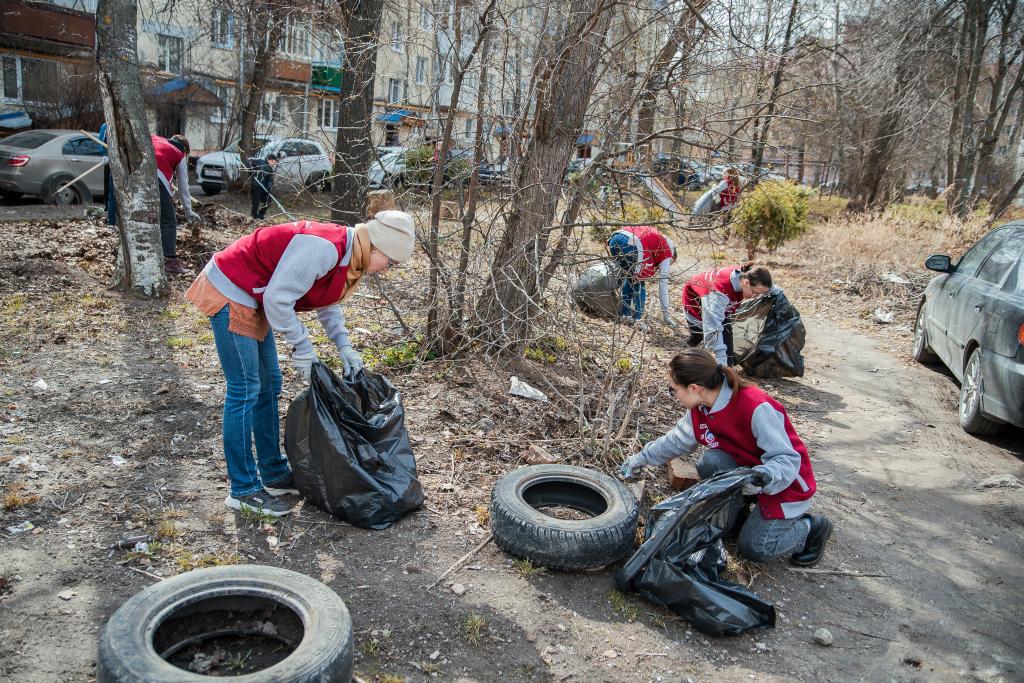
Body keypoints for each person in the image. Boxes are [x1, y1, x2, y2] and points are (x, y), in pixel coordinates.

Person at [184, 210, 417, 517]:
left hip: (254, 295)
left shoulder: (349, 254)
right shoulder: (325, 248)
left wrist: (345, 347)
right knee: (245, 388)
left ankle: (273, 473)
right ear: (375, 246)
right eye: (390, 261)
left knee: (269, 385)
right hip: (232, 287)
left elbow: (326, 302)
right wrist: (302, 347)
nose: (387, 269)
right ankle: (243, 489)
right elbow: (278, 299)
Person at [620, 348, 832, 566]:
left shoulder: (755, 406)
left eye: (673, 390)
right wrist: (642, 457)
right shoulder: (701, 408)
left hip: (784, 484)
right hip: (747, 475)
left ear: (694, 388)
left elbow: (787, 461)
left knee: (755, 548)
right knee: (710, 463)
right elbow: (676, 440)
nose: (674, 396)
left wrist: (760, 477)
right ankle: (740, 514)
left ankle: (811, 528)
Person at [682, 263, 774, 365]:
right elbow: (712, 329)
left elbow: (767, 287)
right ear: (746, 283)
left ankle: (729, 364)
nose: (756, 297)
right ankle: (683, 353)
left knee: (728, 352)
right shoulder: (717, 295)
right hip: (695, 302)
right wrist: (721, 360)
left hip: (719, 304)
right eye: (756, 293)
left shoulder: (746, 273)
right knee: (698, 335)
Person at [606, 225, 677, 328]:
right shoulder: (667, 253)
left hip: (615, 239)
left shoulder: (659, 240)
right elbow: (663, 287)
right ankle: (638, 319)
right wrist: (666, 315)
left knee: (630, 277)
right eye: (671, 263)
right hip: (633, 244)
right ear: (672, 256)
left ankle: (625, 315)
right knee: (639, 280)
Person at [152, 134, 200, 274]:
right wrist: (188, 212)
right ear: (185, 150)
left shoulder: (155, 138)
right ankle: (170, 262)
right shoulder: (179, 154)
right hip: (158, 180)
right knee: (168, 221)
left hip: (140, 174)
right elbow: (183, 187)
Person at [248, 153, 279, 219]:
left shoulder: (271, 170)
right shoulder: (260, 161)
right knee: (256, 202)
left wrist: (269, 188)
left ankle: (261, 214)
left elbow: (270, 180)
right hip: (256, 186)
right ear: (269, 160)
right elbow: (249, 160)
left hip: (264, 188)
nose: (274, 164)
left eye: (275, 163)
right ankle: (254, 216)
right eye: (273, 162)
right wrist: (251, 170)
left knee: (268, 201)